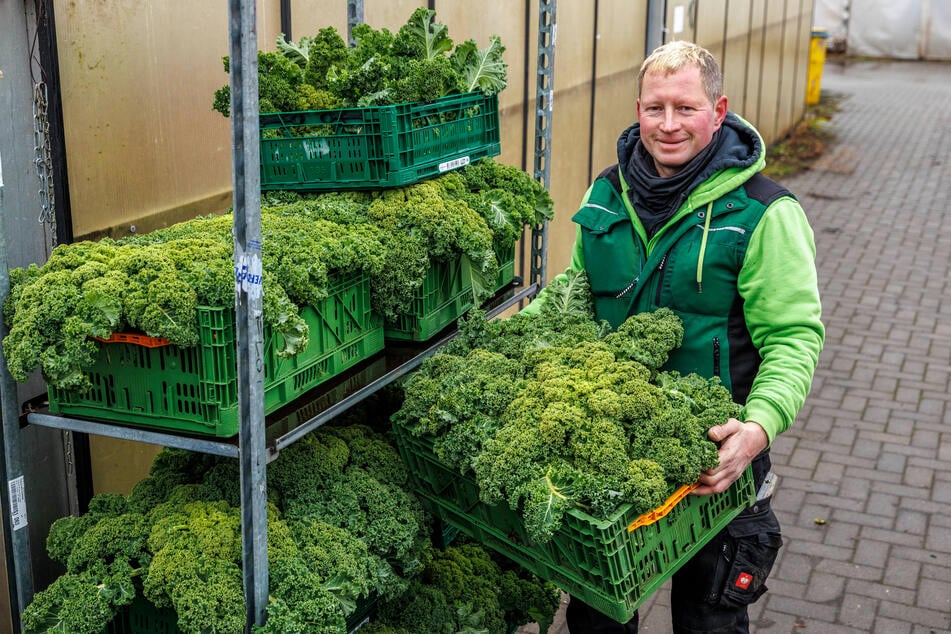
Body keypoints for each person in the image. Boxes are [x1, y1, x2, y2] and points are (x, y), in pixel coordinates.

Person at [523, 40, 824, 632]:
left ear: (718, 109)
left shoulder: (764, 212)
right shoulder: (606, 192)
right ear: (637, 108)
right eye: (654, 108)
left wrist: (756, 431)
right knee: (597, 618)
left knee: (708, 621)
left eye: (685, 108)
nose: (668, 125)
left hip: (716, 456)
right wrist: (512, 348)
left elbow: (794, 338)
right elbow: (572, 293)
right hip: (612, 446)